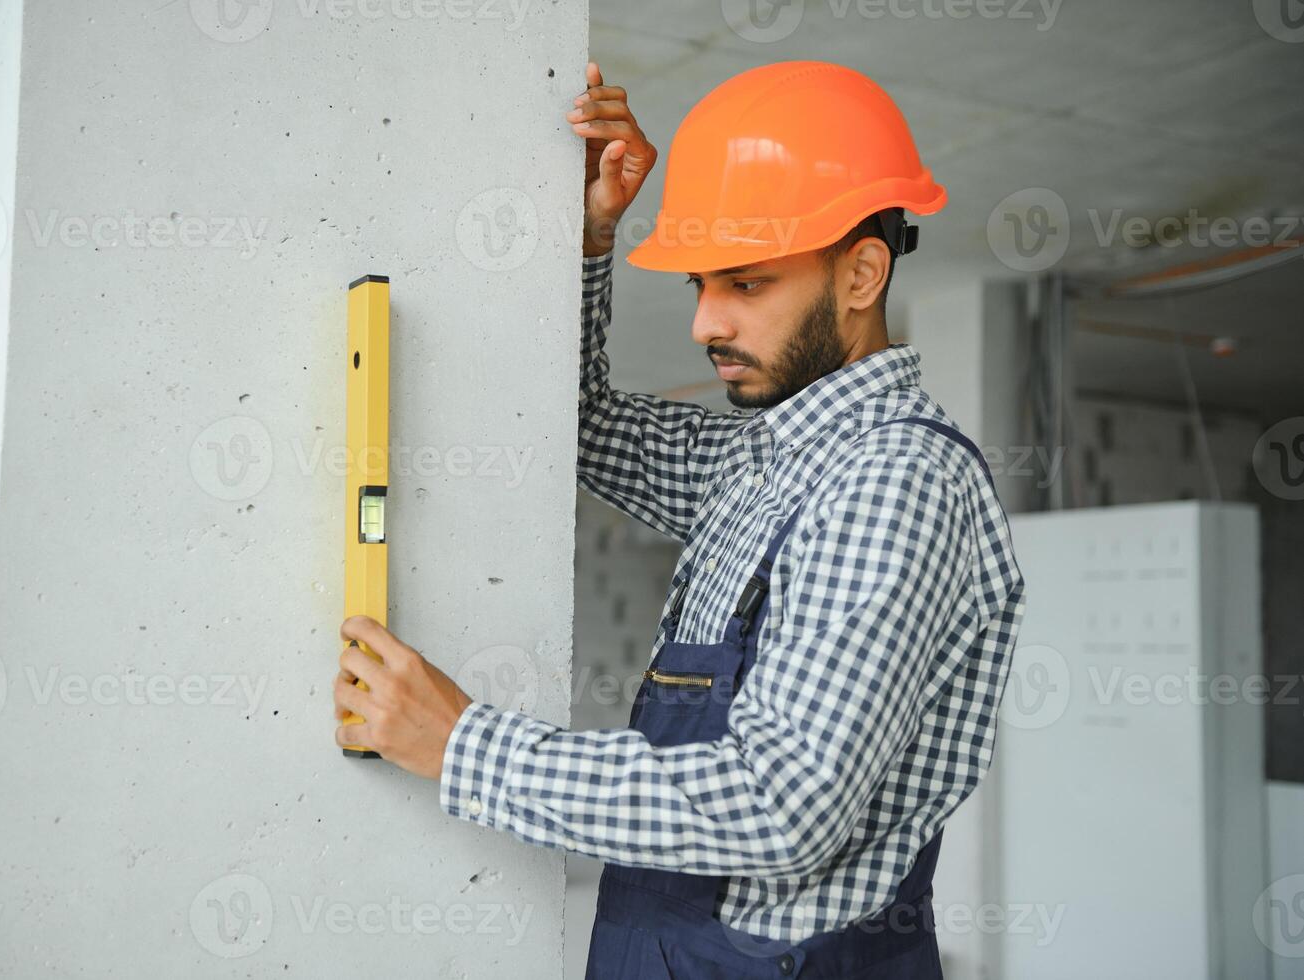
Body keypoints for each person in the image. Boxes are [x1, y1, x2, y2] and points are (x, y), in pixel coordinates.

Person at [334, 59, 1027, 979]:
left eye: (745, 284)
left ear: (861, 272)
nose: (704, 323)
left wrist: (465, 745)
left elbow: (780, 808)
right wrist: (586, 241)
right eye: (700, 283)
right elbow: (570, 424)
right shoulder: (759, 462)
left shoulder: (893, 480)